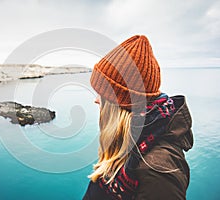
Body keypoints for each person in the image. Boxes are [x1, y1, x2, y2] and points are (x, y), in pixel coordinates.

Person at [83, 35, 193, 200]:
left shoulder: (157, 169)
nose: (96, 99)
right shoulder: (132, 143)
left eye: (102, 93)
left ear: (121, 103)